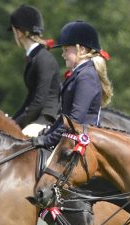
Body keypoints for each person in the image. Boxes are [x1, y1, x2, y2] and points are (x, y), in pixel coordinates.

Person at [32, 20, 112, 148]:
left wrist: (49, 140)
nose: (63, 55)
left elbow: (74, 120)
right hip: (70, 137)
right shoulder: (79, 74)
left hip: (81, 144)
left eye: (66, 50)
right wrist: (46, 135)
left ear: (81, 49)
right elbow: (65, 116)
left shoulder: (87, 76)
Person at [8, 4, 60, 137]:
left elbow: (39, 101)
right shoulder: (35, 57)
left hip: (47, 117)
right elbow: (30, 99)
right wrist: (11, 122)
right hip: (37, 116)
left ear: (19, 32)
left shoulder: (43, 59)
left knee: (20, 140)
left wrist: (16, 124)